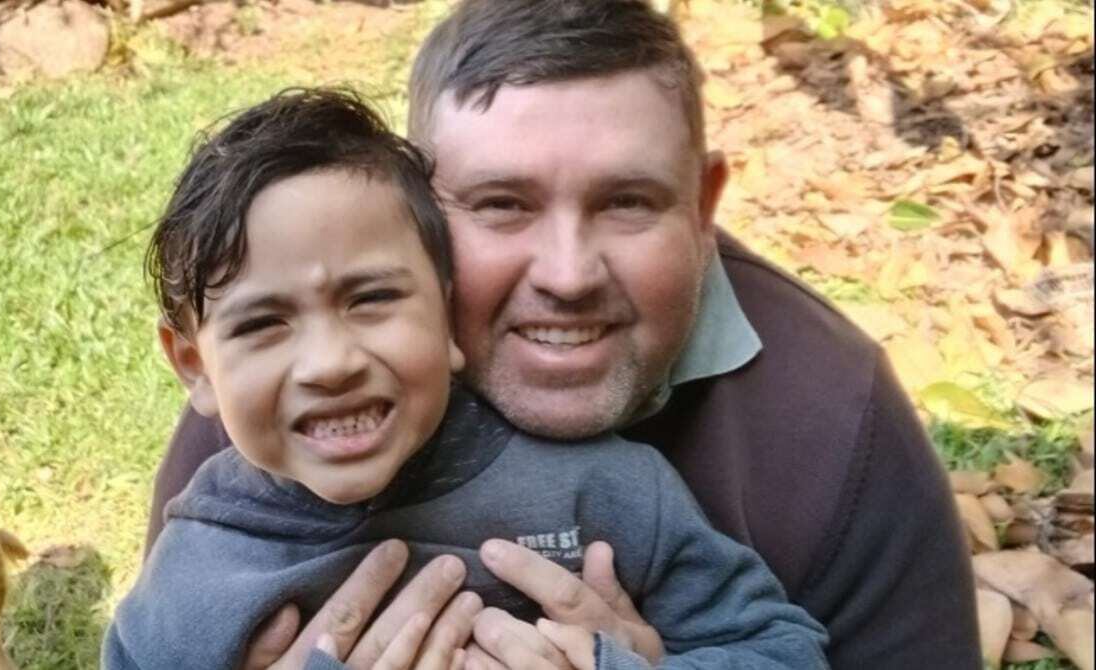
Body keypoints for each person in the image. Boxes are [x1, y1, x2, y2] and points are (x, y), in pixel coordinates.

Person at [146, 2, 982, 669]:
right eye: (501, 203)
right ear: (414, 212)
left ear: (702, 205)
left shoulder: (837, 420)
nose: (569, 274)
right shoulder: (273, 420)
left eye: (627, 202)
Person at [105, 87, 830, 670]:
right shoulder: (195, 576)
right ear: (194, 367)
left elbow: (784, 652)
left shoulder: (606, 493)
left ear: (448, 314)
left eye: (372, 299)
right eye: (263, 323)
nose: (331, 363)